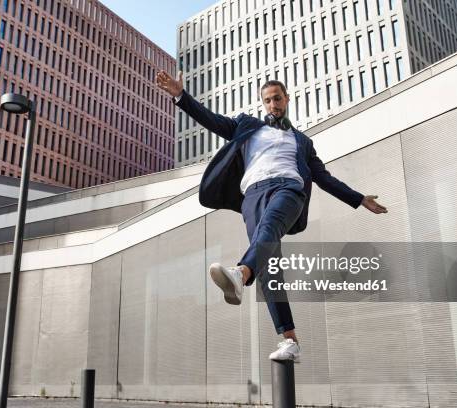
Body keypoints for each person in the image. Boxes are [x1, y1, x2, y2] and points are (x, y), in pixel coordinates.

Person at [156, 70, 388, 362]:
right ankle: (290, 341)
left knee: (268, 229)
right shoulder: (246, 126)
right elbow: (211, 119)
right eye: (267, 100)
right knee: (269, 267)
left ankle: (240, 274)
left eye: (277, 98)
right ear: (262, 104)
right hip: (252, 195)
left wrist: (358, 198)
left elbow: (323, 177)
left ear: (287, 99)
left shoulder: (302, 141)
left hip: (288, 188)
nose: (273, 104)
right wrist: (181, 96)